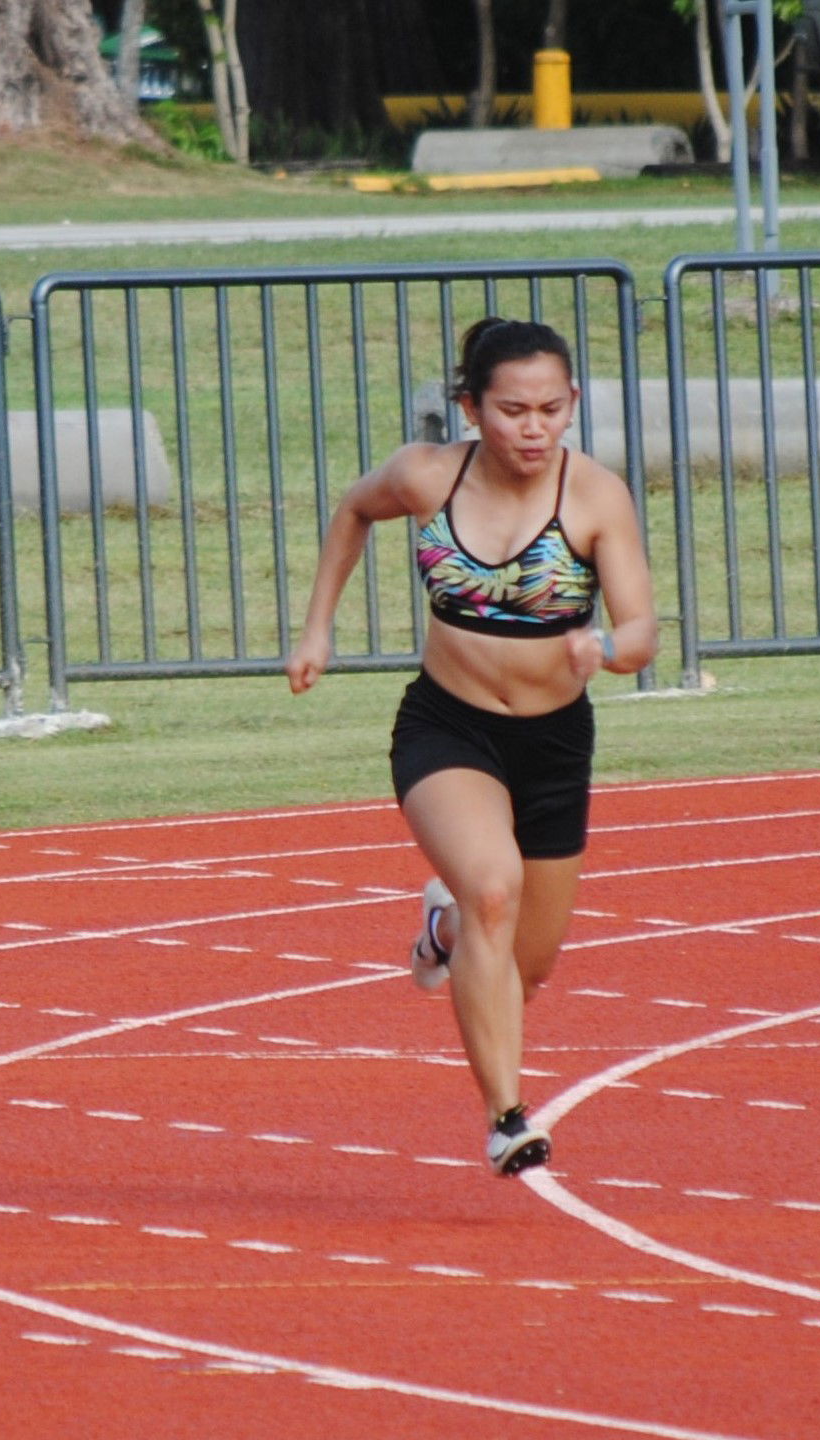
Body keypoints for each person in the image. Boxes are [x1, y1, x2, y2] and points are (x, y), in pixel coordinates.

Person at [286, 317, 657, 1175]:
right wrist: (317, 632)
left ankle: (442, 931)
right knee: (494, 887)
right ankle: (505, 1117)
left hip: (556, 744)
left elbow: (641, 629)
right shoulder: (427, 477)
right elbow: (353, 509)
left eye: (552, 409)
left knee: (523, 972)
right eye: (512, 410)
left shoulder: (595, 497)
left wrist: (603, 647)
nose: (534, 428)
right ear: (469, 408)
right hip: (447, 726)